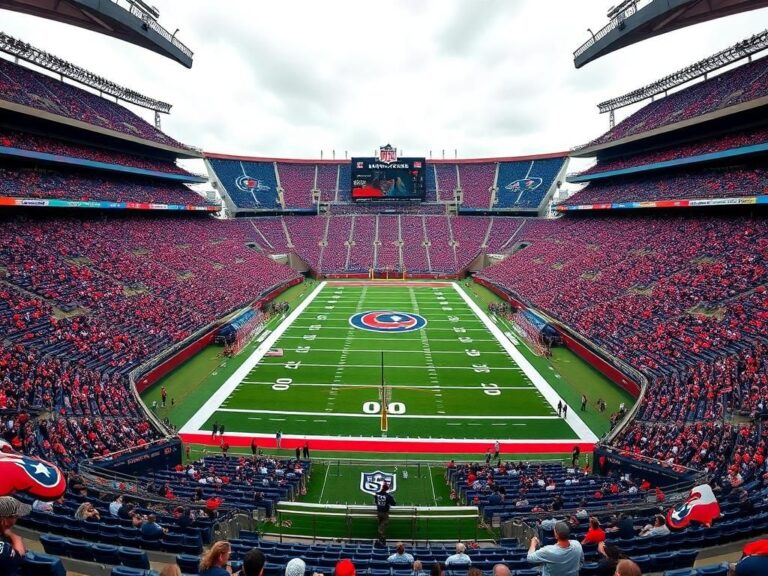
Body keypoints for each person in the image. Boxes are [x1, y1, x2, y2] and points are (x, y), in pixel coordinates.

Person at [0, 496, 30, 576]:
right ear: (5, 520)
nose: (18, 518)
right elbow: (20, 557)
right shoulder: (3, 547)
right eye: (16, 516)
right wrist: (15, 538)